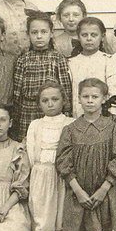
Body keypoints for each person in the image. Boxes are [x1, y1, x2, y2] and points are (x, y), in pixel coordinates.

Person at [56, 78, 116, 231]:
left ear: (104, 99)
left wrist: (103, 189)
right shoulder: (70, 130)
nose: (90, 100)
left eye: (95, 96)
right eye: (85, 96)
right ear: (78, 99)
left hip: (104, 190)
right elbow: (63, 163)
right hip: (79, 190)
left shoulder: (112, 127)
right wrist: (78, 192)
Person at [24, 82, 74, 231]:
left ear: (63, 101)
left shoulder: (70, 123)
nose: (50, 104)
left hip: (61, 171)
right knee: (41, 206)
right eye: (45, 100)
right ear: (39, 103)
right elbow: (31, 150)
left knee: (60, 205)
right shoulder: (36, 124)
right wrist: (37, 169)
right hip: (41, 170)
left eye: (55, 99)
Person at [10, 13, 73, 142]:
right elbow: (17, 92)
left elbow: (65, 89)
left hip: (52, 110)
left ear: (51, 34)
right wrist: (16, 115)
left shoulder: (57, 58)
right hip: (28, 111)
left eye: (43, 32)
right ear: (28, 35)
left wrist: (66, 112)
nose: (39, 36)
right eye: (34, 32)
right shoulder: (23, 59)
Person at [67, 17, 116, 117]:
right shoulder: (71, 62)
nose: (89, 38)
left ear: (102, 37)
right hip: (78, 115)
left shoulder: (108, 60)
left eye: (94, 35)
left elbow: (115, 88)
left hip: (103, 115)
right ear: (78, 37)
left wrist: (112, 113)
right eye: (84, 35)